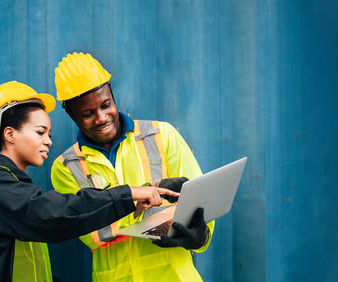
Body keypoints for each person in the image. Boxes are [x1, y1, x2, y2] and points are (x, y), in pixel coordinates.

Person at [0, 81, 179, 282]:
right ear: (9, 134)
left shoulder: (7, 183)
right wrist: (128, 193)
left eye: (49, 134)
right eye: (40, 132)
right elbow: (53, 215)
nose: (48, 141)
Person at [50, 52, 215, 281]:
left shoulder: (161, 135)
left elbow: (201, 200)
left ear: (112, 95)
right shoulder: (67, 167)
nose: (101, 118)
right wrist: (137, 201)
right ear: (70, 113)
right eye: (87, 114)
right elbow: (92, 233)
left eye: (106, 105)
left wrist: (200, 236)